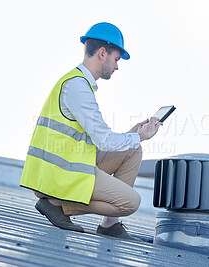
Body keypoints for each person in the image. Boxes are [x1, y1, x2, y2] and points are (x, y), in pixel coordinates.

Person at [20, 22, 161, 241]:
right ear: (103, 53)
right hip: (59, 175)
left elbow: (93, 137)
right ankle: (57, 205)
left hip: (70, 165)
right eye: (116, 59)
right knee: (130, 202)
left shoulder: (79, 83)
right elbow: (104, 140)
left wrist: (133, 135)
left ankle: (109, 225)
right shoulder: (77, 86)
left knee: (133, 150)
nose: (117, 67)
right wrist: (141, 135)